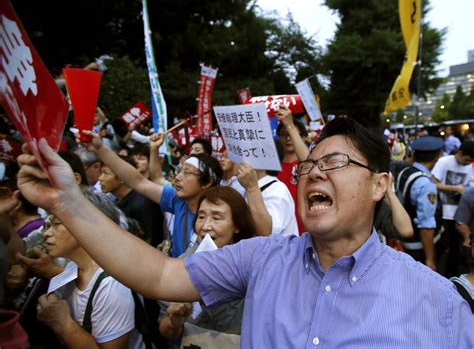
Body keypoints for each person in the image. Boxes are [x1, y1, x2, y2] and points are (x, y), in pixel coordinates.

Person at [17, 118, 473, 348]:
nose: (313, 174)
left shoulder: (440, 303)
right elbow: (158, 275)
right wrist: (67, 202)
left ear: (379, 185)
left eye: (334, 163)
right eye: (309, 165)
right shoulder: (261, 258)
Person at [86, 131, 222, 257]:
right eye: (179, 171)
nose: (178, 178)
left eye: (187, 173)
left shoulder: (221, 217)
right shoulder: (177, 200)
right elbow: (138, 182)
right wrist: (100, 149)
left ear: (207, 182)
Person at [37, 190, 144, 348]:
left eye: (56, 224)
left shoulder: (111, 285)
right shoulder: (75, 266)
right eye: (48, 224)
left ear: (87, 227)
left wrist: (64, 324)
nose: (47, 233)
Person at [158, 186, 255, 345]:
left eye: (217, 218)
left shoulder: (252, 267)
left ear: (237, 225)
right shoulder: (182, 264)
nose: (205, 226)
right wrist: (173, 322)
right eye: (201, 217)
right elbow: (165, 331)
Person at [395, 136, 444, 270]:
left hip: (405, 242)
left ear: (415, 154)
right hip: (419, 246)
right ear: (436, 157)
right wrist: (430, 259)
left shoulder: (404, 171)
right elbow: (426, 225)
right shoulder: (426, 184)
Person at [432, 140, 474, 277]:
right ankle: (432, 269)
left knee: (455, 247)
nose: (467, 164)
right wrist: (455, 188)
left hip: (460, 213)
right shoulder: (445, 162)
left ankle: (451, 277)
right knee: (441, 245)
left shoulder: (469, 167)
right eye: (467, 160)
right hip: (443, 211)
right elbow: (433, 183)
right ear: (460, 153)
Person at [276, 106, 309, 235]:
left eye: (292, 135)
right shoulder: (272, 166)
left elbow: (308, 163)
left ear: (304, 138)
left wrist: (290, 124)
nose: (288, 139)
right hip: (280, 229)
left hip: (303, 228)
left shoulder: (306, 162)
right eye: (284, 135)